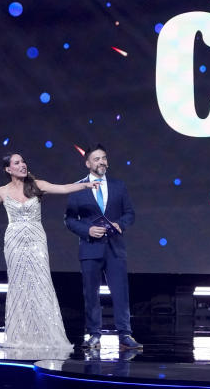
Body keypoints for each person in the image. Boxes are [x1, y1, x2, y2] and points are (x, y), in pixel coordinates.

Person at [0, 152, 98, 352]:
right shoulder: (2, 191)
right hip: (14, 241)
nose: (22, 165)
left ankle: (46, 333)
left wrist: (85, 185)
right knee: (19, 284)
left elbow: (64, 188)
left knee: (41, 282)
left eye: (23, 161)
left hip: (36, 240)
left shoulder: (36, 185)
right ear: (8, 169)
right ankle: (21, 334)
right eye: (17, 163)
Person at [64, 144, 141, 350]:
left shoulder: (119, 185)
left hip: (115, 247)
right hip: (90, 247)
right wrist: (87, 230)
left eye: (104, 158)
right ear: (88, 163)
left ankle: (125, 335)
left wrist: (120, 224)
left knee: (120, 292)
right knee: (91, 293)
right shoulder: (78, 187)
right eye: (96, 159)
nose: (101, 162)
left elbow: (129, 213)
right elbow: (70, 220)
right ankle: (94, 334)